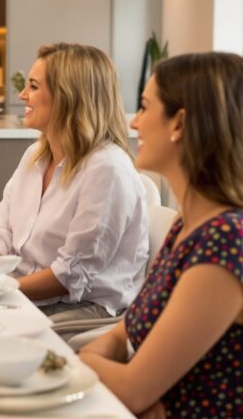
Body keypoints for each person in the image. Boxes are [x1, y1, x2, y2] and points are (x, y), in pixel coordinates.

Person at [80, 52, 243, 418]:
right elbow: (123, 336)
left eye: (144, 107)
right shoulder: (188, 226)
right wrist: (93, 358)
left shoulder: (225, 241)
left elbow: (134, 390)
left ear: (179, 123)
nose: (134, 122)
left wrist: (86, 364)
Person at [0, 43, 149, 321]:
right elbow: (0, 232)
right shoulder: (34, 157)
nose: (23, 95)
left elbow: (68, 277)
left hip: (82, 310)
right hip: (28, 297)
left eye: (33, 87)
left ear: (67, 97)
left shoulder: (106, 169)